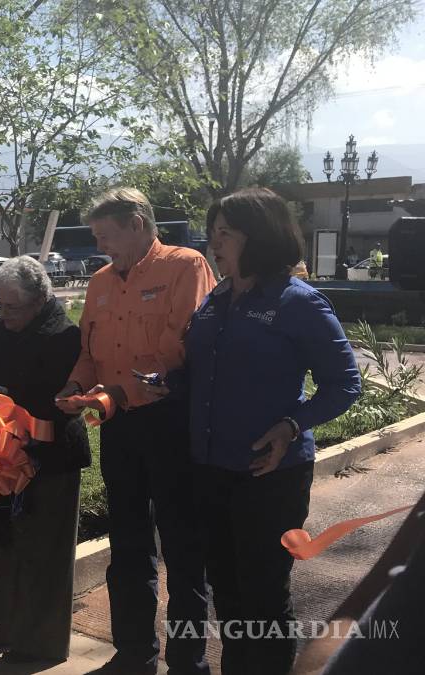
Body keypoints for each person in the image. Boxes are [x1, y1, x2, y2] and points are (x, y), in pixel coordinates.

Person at [185, 188, 360, 674]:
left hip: (270, 474)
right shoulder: (217, 298)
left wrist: (291, 424)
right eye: (212, 233)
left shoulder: (298, 302)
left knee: (262, 594)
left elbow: (345, 384)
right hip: (210, 467)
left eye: (226, 235)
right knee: (227, 589)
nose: (214, 244)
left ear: (258, 237)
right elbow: (202, 369)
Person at [55, 187, 216, 675]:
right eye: (97, 237)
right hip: (118, 424)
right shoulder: (102, 281)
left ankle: (188, 662)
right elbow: (89, 349)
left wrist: (122, 390)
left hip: (170, 422)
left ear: (138, 225)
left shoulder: (185, 266)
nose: (101, 246)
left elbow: (181, 344)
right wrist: (74, 384)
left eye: (106, 235)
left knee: (183, 547)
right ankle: (133, 653)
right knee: (127, 541)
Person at [0, 255, 89, 665]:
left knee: (44, 551)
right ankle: (7, 625)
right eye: (0, 304)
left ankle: (41, 643)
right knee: (5, 546)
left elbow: (50, 399)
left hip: (48, 457)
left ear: (40, 299)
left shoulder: (64, 334)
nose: (4, 314)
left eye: (13, 307)